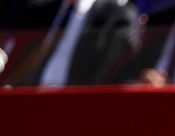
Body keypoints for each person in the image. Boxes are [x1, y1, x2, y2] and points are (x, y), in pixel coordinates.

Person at [0, 0, 140, 87]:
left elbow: (111, 76)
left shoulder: (117, 16)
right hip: (24, 100)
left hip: (73, 109)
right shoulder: (35, 8)